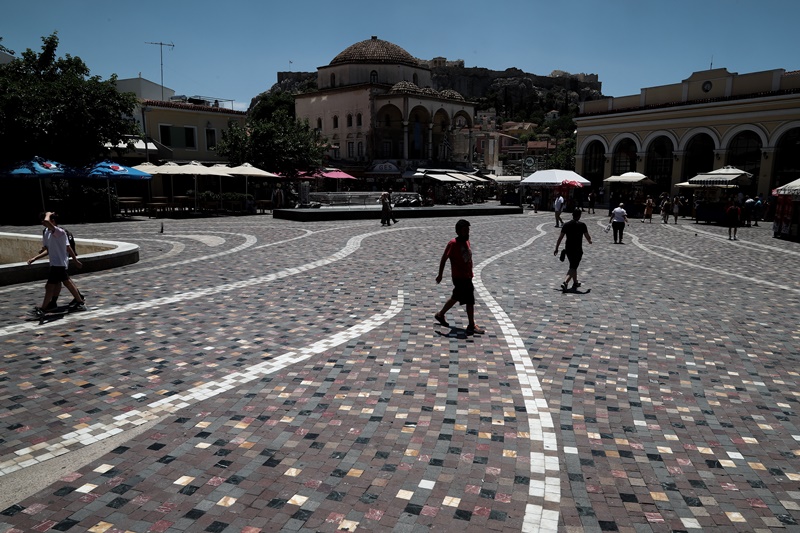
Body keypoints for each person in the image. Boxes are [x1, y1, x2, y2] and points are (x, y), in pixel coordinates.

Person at [27, 212, 86, 317]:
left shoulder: (59, 232)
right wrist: (35, 257)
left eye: (45, 221)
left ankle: (43, 309)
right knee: (66, 282)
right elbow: (48, 249)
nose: (43, 223)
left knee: (50, 286)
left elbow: (68, 247)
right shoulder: (47, 232)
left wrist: (75, 260)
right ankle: (79, 302)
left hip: (59, 264)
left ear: (52, 221)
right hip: (56, 264)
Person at [434, 219, 484, 335]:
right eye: (465, 230)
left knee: (458, 297)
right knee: (468, 299)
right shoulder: (453, 243)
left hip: (467, 276)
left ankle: (441, 315)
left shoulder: (466, 241)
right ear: (458, 232)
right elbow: (443, 259)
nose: (467, 232)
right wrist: (440, 274)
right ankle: (471, 324)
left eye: (468, 230)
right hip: (459, 277)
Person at [554, 208, 592, 292]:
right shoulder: (582, 225)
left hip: (568, 249)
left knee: (573, 265)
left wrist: (556, 248)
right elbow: (587, 236)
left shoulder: (566, 225)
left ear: (572, 215)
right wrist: (590, 241)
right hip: (577, 249)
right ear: (579, 215)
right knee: (573, 266)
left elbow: (560, 238)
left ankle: (575, 282)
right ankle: (565, 282)